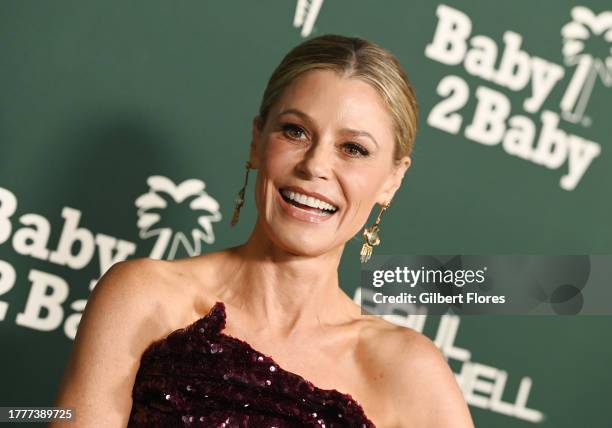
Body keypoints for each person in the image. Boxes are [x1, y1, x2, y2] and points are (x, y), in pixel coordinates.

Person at [51, 34, 474, 427]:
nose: (315, 166)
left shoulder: (408, 371)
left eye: (353, 149)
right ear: (257, 140)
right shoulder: (143, 295)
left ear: (392, 180)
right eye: (296, 131)